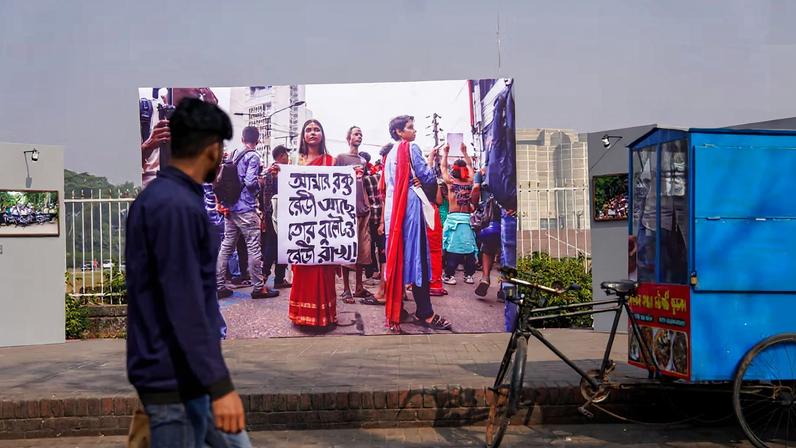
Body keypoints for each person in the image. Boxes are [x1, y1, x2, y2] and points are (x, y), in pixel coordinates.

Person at [125, 98, 251, 447]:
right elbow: (184, 303)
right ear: (208, 150)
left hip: (177, 375)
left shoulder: (166, 199)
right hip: (175, 380)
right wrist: (220, 385)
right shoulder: (176, 206)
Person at [383, 115, 453, 333]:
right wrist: (428, 170)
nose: (414, 132)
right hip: (412, 208)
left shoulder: (390, 155)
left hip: (395, 212)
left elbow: (389, 185)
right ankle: (426, 313)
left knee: (400, 258)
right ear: (399, 132)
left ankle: (399, 308)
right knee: (419, 258)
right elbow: (428, 178)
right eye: (410, 128)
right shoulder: (411, 148)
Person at [216, 126, 278, 300]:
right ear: (257, 141)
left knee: (226, 246)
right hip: (246, 209)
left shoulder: (234, 153)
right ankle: (259, 287)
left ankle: (219, 286)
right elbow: (250, 182)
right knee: (253, 247)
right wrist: (260, 182)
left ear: (243, 139)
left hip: (230, 207)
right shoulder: (253, 156)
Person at [287, 120, 339, 327]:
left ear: (322, 135)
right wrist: (277, 176)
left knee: (323, 269)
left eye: (317, 129)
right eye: (308, 130)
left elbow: (338, 192)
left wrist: (354, 177)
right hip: (302, 226)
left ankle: (325, 316)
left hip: (323, 227)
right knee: (303, 267)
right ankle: (301, 315)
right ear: (303, 136)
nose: (312, 133)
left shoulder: (330, 161)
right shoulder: (294, 161)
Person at [335, 126, 375, 303]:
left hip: (362, 209)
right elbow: (334, 182)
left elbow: (362, 185)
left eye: (361, 134)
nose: (359, 136)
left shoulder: (363, 161)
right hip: (346, 210)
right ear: (348, 137)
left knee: (362, 250)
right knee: (347, 250)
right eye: (356, 133)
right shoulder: (341, 158)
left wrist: (366, 203)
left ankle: (359, 286)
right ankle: (346, 289)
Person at [440, 143, 478, 286]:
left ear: (454, 170)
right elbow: (470, 166)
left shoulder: (450, 182)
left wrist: (445, 153)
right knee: (469, 248)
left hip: (454, 219)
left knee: (452, 249)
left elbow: (443, 167)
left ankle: (449, 275)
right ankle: (469, 275)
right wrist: (465, 152)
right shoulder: (469, 181)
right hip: (467, 219)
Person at [260, 145, 291, 289]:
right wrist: (268, 216)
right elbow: (267, 196)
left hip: (282, 214)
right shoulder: (272, 172)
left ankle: (279, 278)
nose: (288, 158)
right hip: (275, 215)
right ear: (280, 156)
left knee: (282, 247)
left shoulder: (285, 172)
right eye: (286, 155)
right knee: (272, 246)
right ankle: (265, 276)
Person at [471, 166, 502, 297]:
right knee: (505, 250)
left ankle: (485, 278)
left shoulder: (482, 172)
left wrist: (476, 205)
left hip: (488, 215)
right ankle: (504, 287)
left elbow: (476, 188)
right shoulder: (507, 169)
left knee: (487, 248)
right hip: (505, 212)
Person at [425, 146, 447, 297]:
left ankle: (419, 282)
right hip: (433, 212)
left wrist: (430, 159)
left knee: (421, 249)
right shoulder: (437, 182)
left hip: (423, 213)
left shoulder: (420, 179)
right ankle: (436, 283)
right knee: (435, 251)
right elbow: (439, 200)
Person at [361, 151, 384, 281]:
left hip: (372, 217)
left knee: (372, 245)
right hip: (376, 216)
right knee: (376, 245)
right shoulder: (375, 177)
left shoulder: (370, 178)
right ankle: (377, 270)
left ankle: (374, 271)